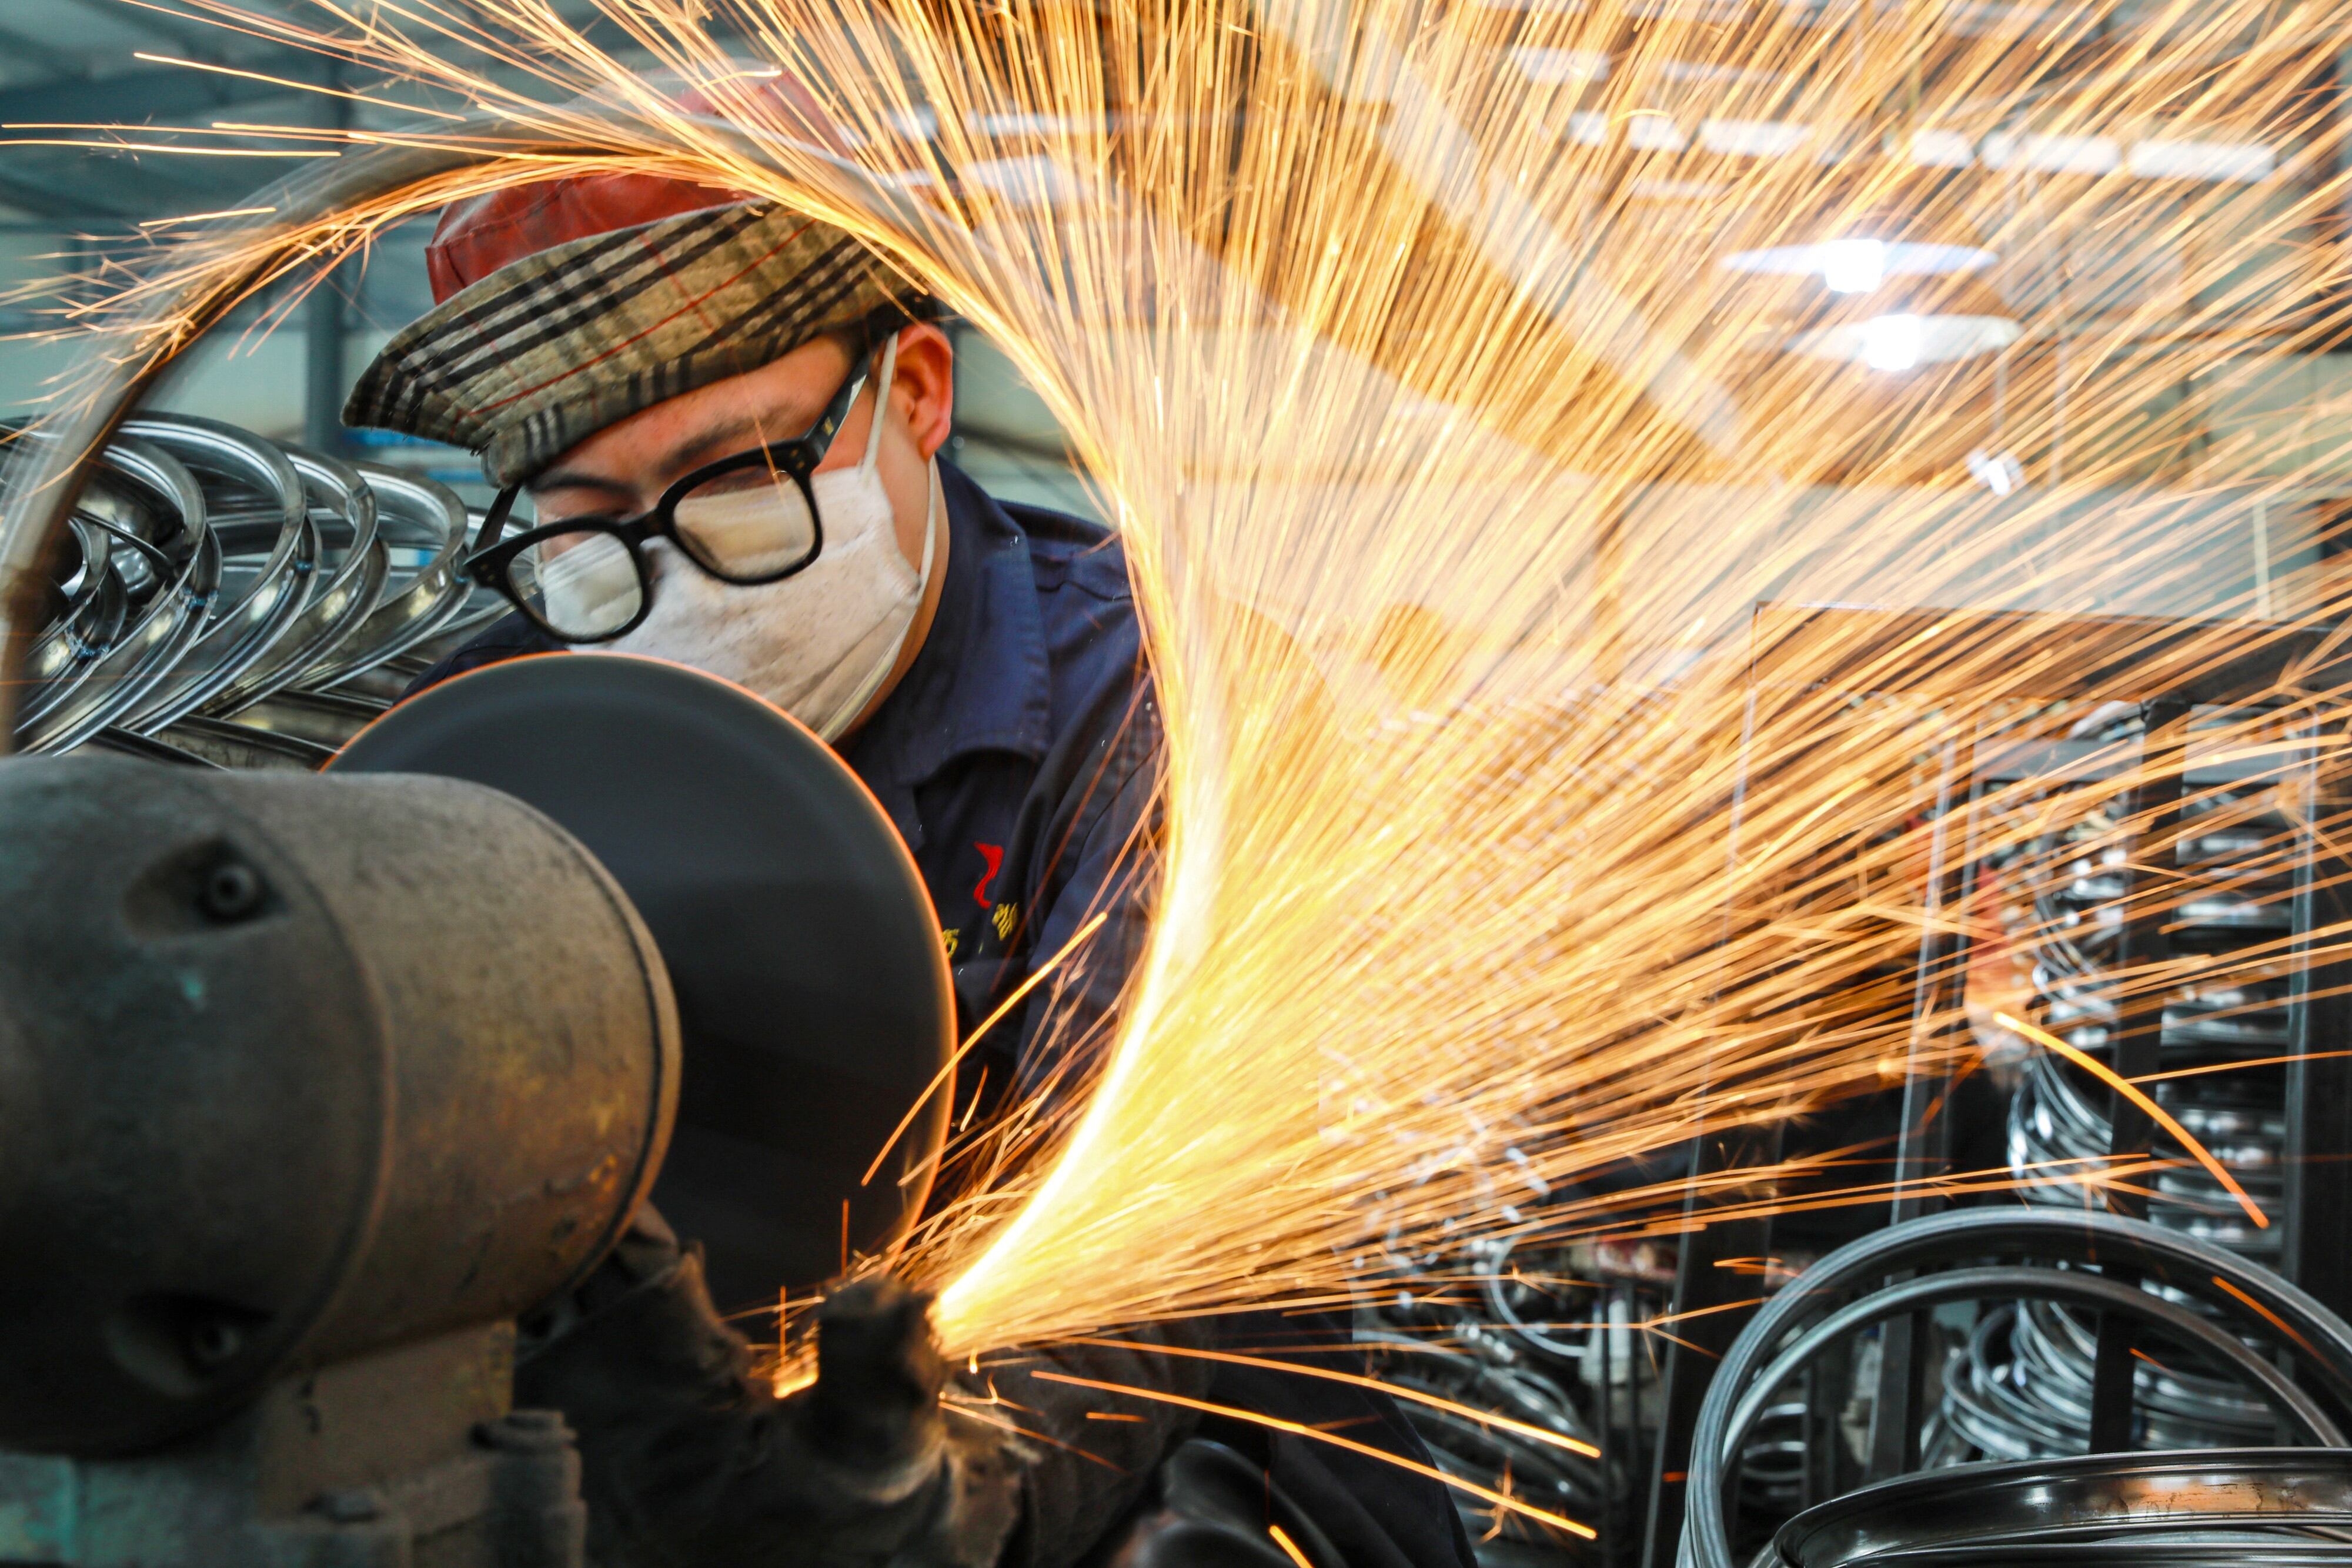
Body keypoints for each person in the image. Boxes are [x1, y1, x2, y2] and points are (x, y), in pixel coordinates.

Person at [344, 105, 1476, 1568]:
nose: (672, 574)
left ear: (918, 393)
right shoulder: (469, 740)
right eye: (585, 521)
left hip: (1147, 1479)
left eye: (741, 475)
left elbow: (1130, 1277)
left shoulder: (1166, 706)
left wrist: (928, 1494)